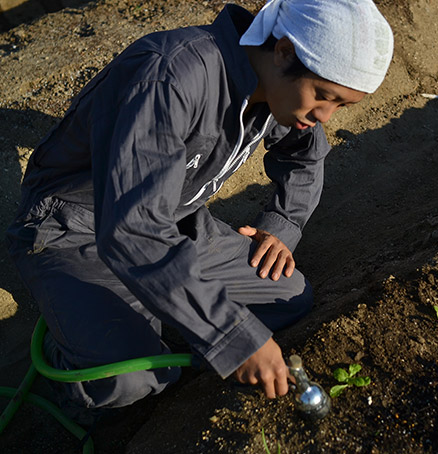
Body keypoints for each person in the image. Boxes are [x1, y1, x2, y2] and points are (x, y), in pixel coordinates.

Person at [6, 0, 393, 422]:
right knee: (130, 379)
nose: (323, 116)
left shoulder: (277, 88)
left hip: (174, 222)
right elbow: (132, 229)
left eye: (340, 106)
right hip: (78, 229)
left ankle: (157, 307)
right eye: (323, 96)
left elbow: (303, 158)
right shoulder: (170, 77)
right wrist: (230, 335)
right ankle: (75, 357)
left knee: (289, 297)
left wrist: (282, 223)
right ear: (283, 50)